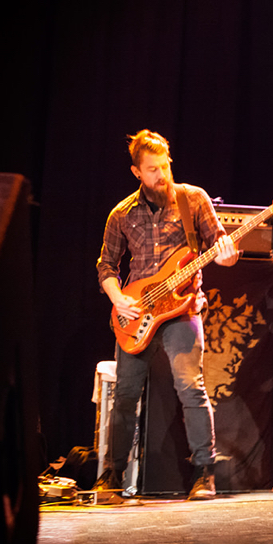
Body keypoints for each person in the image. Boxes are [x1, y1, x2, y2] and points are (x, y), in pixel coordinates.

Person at [94, 129, 239, 501]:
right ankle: (112, 475)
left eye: (165, 166)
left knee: (191, 388)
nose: (161, 174)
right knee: (125, 394)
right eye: (152, 169)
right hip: (136, 314)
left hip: (182, 309)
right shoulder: (121, 214)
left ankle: (204, 474)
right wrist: (117, 297)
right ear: (136, 172)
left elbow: (224, 249)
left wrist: (227, 254)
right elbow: (106, 265)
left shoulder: (193, 199)